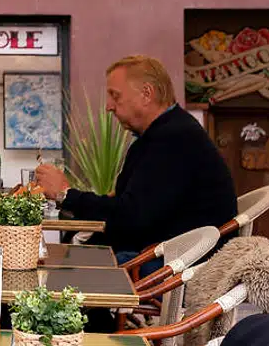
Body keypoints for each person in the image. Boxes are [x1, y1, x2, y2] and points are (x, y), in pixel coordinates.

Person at [32, 55, 236, 263]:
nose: (108, 106)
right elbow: (132, 207)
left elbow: (131, 218)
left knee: (54, 265)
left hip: (169, 266)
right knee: (60, 258)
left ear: (146, 94)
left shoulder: (174, 138)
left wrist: (65, 194)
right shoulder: (165, 133)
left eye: (116, 96)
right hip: (162, 255)